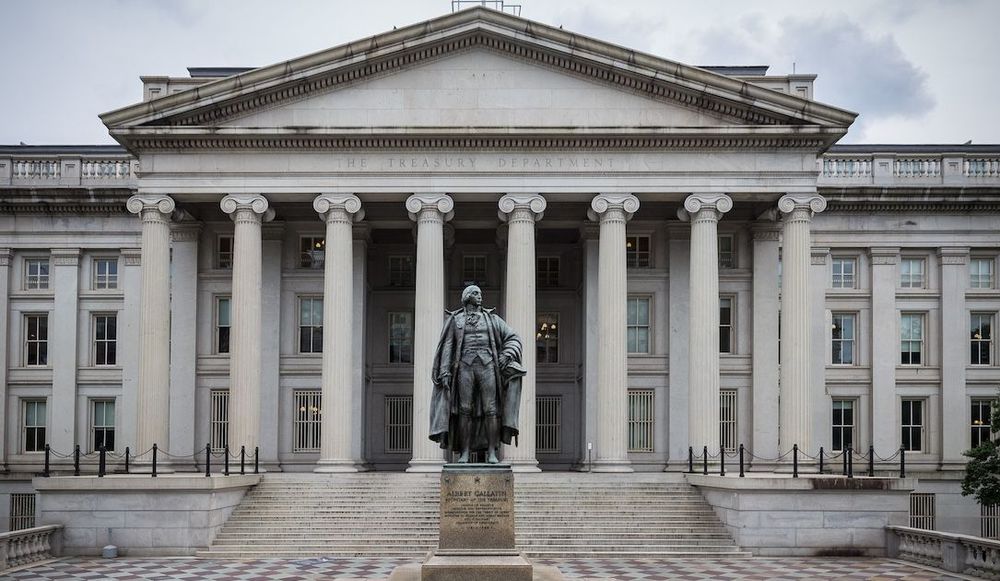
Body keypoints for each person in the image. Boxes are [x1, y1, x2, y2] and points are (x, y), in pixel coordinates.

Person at [429, 285, 524, 463]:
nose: (480, 296)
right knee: (464, 410)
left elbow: (514, 337)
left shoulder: (492, 319)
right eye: (475, 293)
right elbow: (448, 346)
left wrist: (506, 355)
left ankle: (492, 453)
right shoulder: (455, 320)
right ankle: (464, 453)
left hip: (488, 366)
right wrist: (444, 371)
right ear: (466, 297)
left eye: (480, 293)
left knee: (492, 410)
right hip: (464, 367)